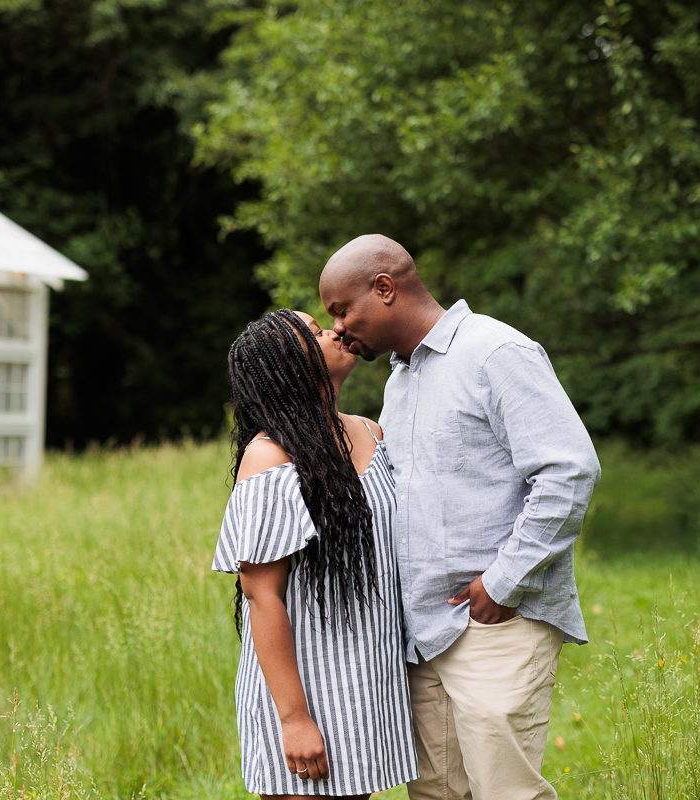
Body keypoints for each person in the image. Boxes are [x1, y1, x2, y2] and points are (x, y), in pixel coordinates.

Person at [319, 235, 602, 800]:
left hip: (496, 624)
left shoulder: (495, 352)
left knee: (505, 792)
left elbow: (568, 472)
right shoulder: (400, 381)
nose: (340, 329)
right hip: (424, 636)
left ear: (385, 288)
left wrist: (503, 583)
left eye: (341, 310)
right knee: (437, 794)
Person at [213, 308, 419, 799]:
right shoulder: (270, 456)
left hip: (367, 682)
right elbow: (260, 595)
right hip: (305, 690)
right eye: (314, 332)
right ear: (289, 364)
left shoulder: (372, 432)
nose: (334, 331)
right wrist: (294, 718)